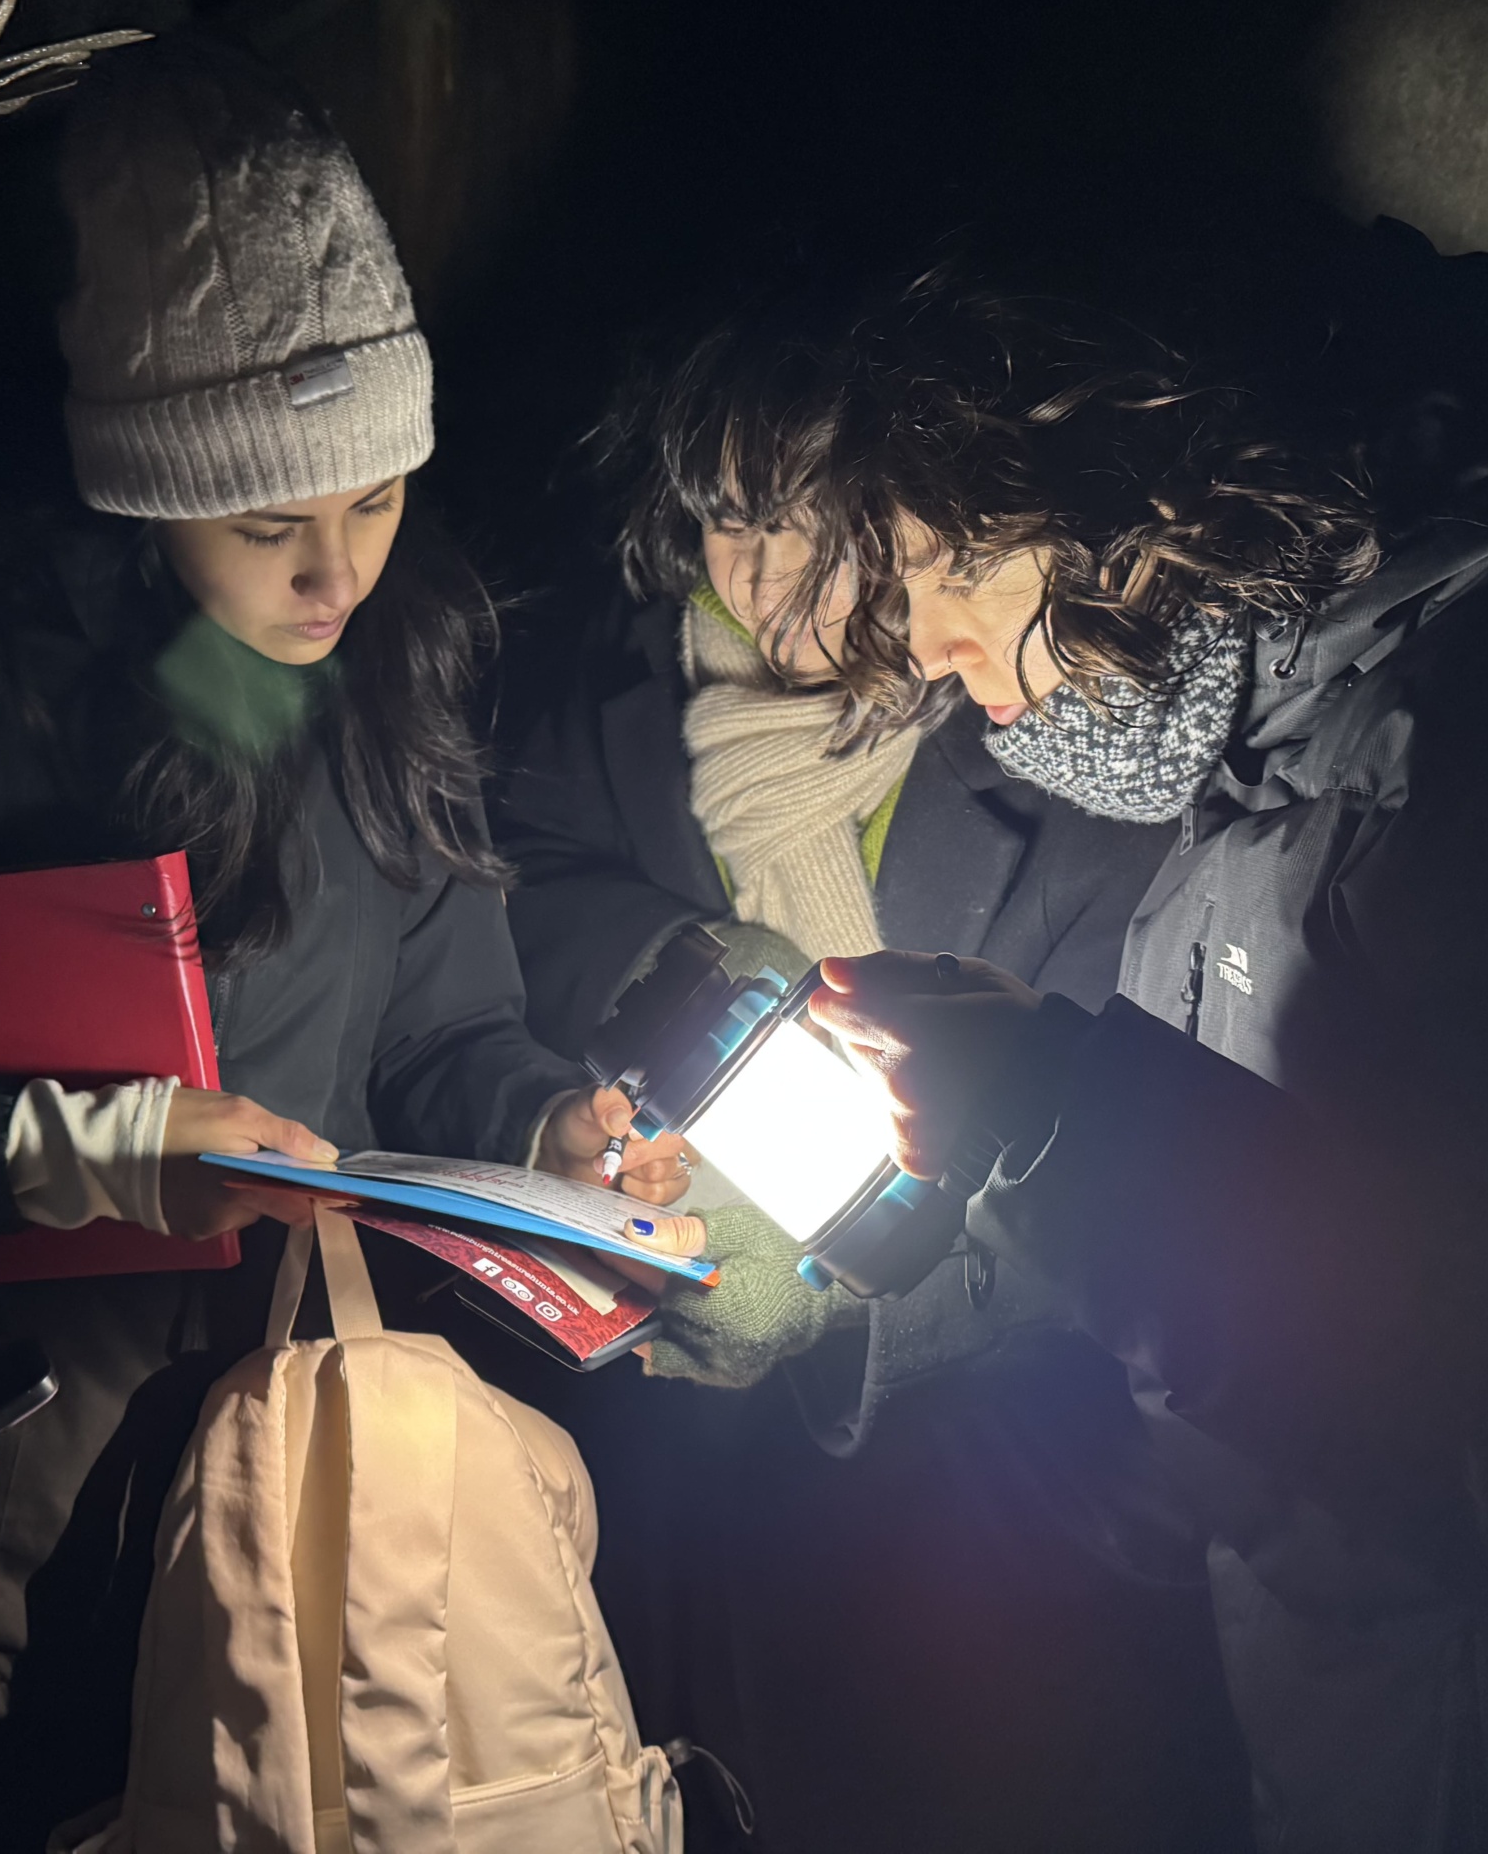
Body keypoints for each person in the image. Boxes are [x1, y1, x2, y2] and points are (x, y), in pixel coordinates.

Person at [0, 41, 683, 1851]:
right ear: (143, 487)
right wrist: (103, 1148)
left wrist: (548, 1128)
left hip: (285, 1504)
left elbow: (443, 1031)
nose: (337, 574)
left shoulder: (380, 679)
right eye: (269, 523)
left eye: (375, 502)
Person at [758, 235, 1488, 1848]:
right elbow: (1289, 1361)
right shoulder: (1264, 769)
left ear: (1121, 494)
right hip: (1368, 1722)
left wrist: (1058, 1119)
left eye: (956, 566)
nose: (938, 652)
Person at [486, 296, 1249, 1848]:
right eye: (726, 523)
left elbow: (1118, 1138)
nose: (760, 586)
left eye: (811, 531)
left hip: (973, 1483)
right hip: (669, 1462)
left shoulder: (1060, 738)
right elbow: (517, 877)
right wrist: (680, 978)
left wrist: (842, 1294)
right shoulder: (616, 677)